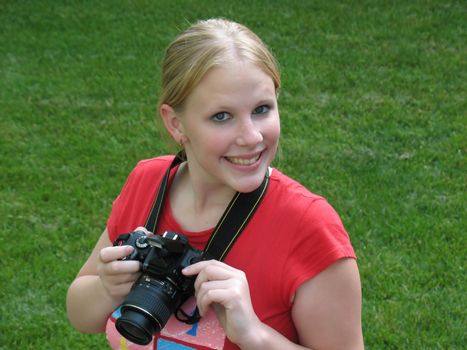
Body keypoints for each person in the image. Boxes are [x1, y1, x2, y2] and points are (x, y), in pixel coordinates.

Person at [66, 18, 364, 350]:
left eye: (262, 109)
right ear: (176, 123)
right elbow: (81, 315)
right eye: (222, 116)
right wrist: (106, 289)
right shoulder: (148, 183)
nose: (251, 137)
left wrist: (254, 335)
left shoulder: (307, 226)